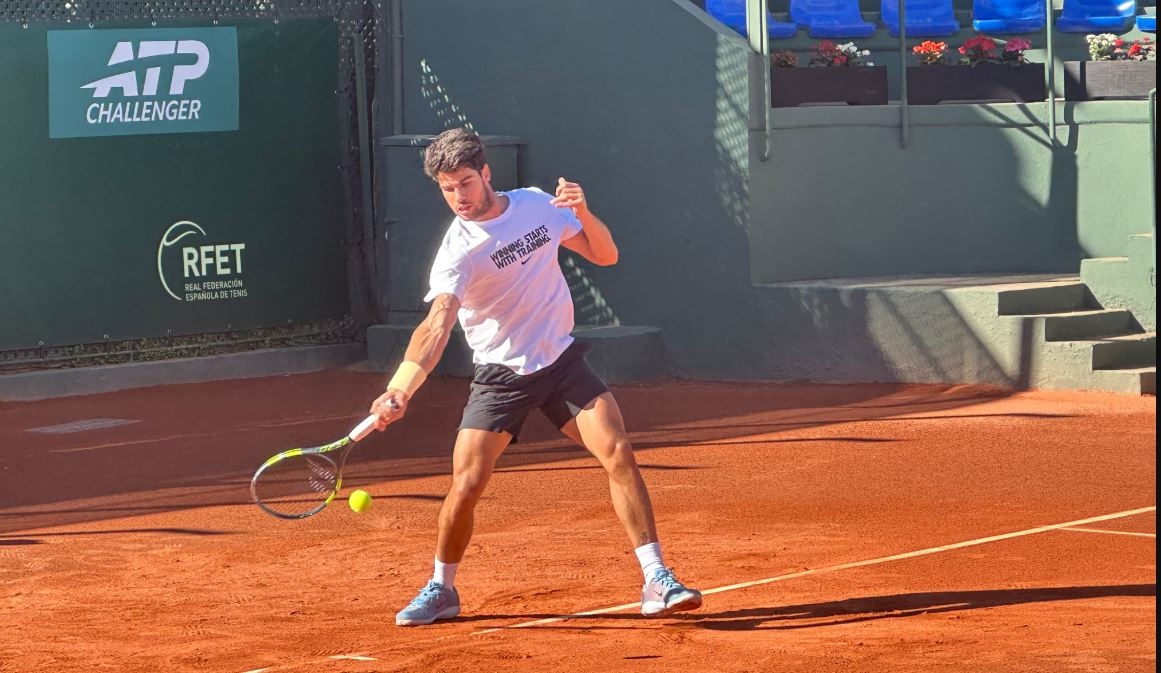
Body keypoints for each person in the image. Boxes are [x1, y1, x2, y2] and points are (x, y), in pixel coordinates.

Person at [368, 128, 701, 627]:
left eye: (465, 182)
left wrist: (583, 213)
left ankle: (656, 577)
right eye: (447, 189)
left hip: (561, 364)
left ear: (486, 173)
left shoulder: (538, 206)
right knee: (467, 485)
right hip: (500, 377)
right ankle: (442, 588)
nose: (458, 196)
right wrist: (401, 387)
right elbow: (436, 325)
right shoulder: (458, 252)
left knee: (618, 452)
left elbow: (605, 255)